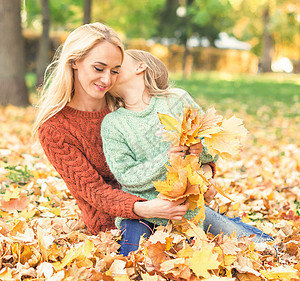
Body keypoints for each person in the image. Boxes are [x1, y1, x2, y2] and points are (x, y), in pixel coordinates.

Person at [101, 50, 273, 256]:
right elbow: (126, 175)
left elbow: (211, 147)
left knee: (257, 245)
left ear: (140, 67)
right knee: (132, 257)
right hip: (143, 212)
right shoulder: (113, 124)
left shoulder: (176, 100)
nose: (113, 66)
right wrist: (166, 160)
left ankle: (225, 224)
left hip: (187, 208)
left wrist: (201, 151)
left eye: (120, 62)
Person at [32, 23, 193, 236]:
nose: (107, 80)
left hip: (171, 205)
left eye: (115, 71)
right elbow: (94, 190)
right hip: (115, 227)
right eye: (99, 68)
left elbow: (177, 149)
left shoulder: (126, 106)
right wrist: (146, 208)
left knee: (231, 235)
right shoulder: (55, 128)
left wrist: (206, 173)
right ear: (74, 63)